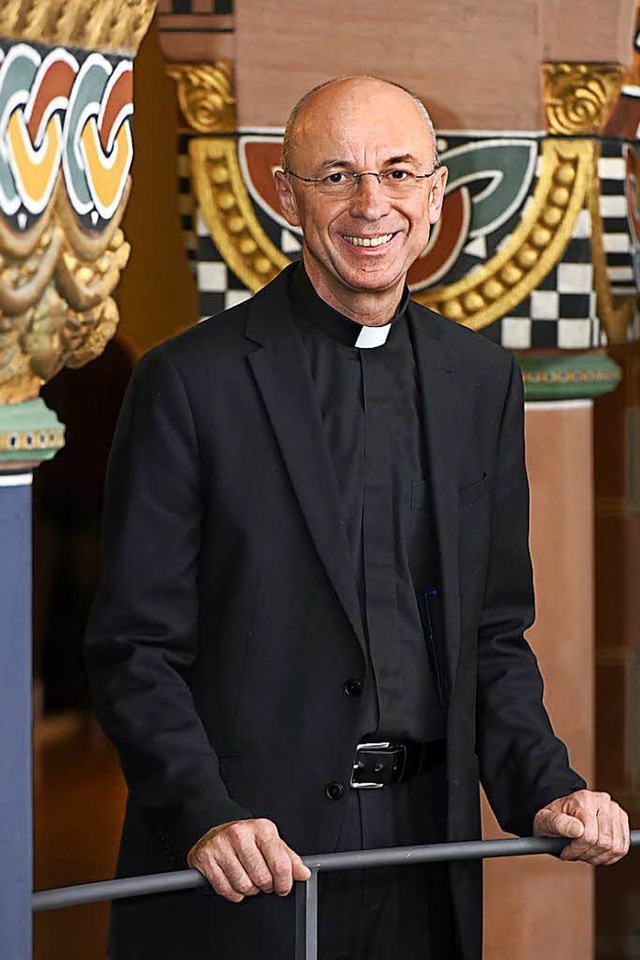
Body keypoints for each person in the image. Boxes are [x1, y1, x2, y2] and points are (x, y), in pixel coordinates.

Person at [85, 76, 630, 960]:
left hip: (425, 852)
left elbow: (491, 637)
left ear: (436, 195)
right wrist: (205, 816)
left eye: (399, 173)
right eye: (335, 175)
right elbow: (132, 650)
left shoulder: (481, 382)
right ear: (283, 193)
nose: (371, 203)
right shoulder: (189, 383)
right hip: (250, 864)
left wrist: (547, 787)